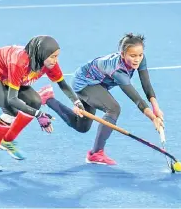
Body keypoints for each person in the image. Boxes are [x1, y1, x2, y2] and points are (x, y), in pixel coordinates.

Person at [38, 33, 164, 165]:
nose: (137, 59)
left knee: (82, 127)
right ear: (122, 54)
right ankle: (96, 153)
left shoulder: (140, 59)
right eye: (132, 56)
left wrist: (156, 108)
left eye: (140, 55)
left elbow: (146, 84)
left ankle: (48, 98)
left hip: (96, 84)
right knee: (113, 109)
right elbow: (136, 98)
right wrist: (153, 118)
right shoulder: (117, 70)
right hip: (84, 84)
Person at [0, 35, 84, 172]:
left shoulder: (48, 63)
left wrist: (77, 102)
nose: (55, 61)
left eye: (57, 56)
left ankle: (7, 141)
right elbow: (12, 99)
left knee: (35, 101)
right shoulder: (19, 62)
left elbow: (63, 85)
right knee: (10, 110)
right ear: (41, 54)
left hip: (10, 75)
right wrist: (39, 115)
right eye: (52, 56)